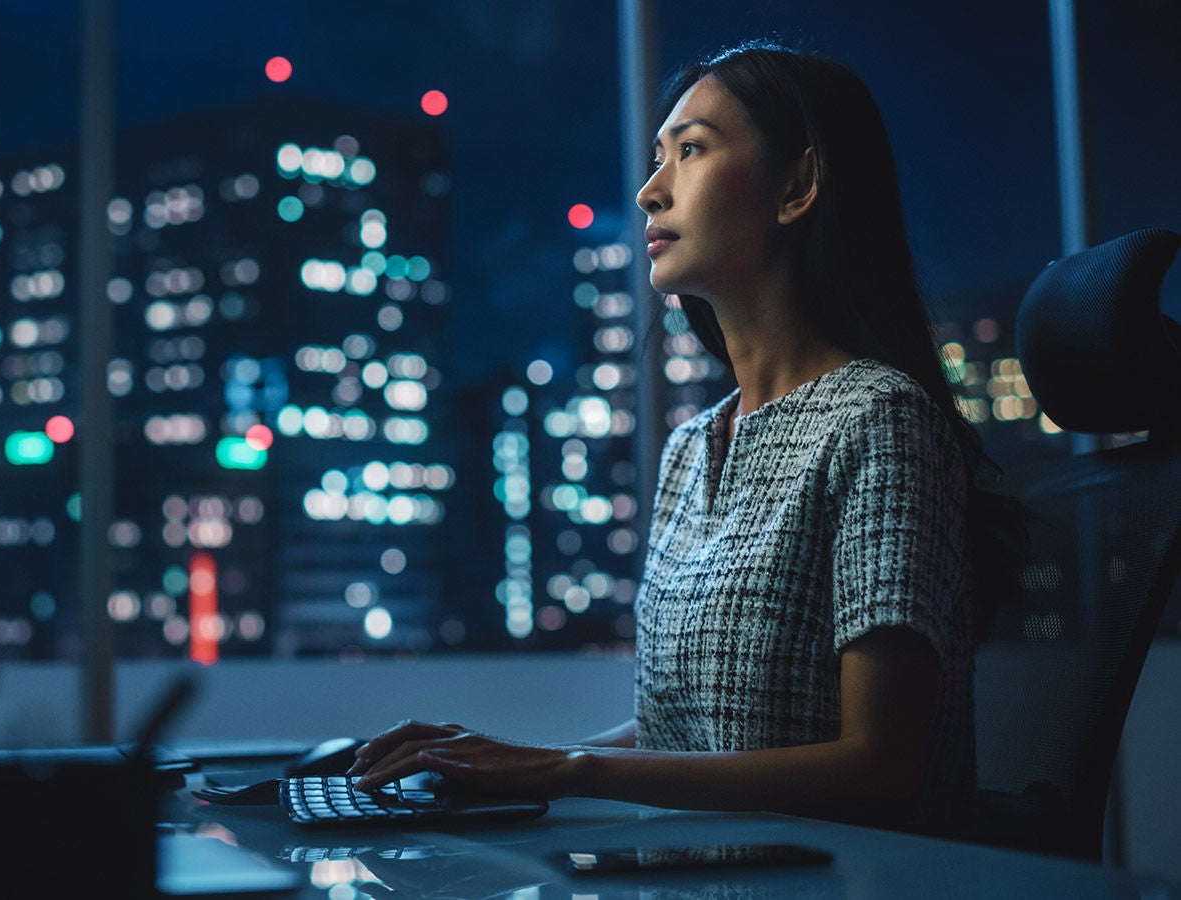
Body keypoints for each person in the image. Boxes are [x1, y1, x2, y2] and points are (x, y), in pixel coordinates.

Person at [348, 41, 1017, 834]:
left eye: (690, 150)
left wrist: (567, 770)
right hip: (691, 879)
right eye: (657, 156)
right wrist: (509, 762)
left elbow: (879, 768)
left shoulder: (878, 418)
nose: (648, 192)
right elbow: (692, 739)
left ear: (798, 185)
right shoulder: (689, 447)